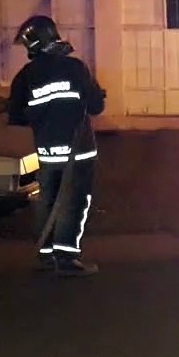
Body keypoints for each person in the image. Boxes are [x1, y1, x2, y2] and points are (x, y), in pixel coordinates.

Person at [8, 14, 106, 277]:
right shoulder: (75, 68)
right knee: (74, 202)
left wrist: (42, 117)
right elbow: (96, 106)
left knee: (48, 201)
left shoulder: (25, 76)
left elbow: (15, 116)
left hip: (47, 153)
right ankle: (66, 259)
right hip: (78, 152)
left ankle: (46, 254)